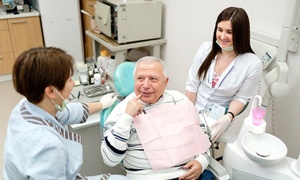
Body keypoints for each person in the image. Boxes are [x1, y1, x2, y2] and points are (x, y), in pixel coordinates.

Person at [3, 47, 128, 180]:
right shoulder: (46, 146)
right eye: (69, 79)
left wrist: (101, 104)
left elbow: (67, 112)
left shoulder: (26, 105)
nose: (73, 83)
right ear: (51, 91)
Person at [101, 56, 214, 180]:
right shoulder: (121, 112)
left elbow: (202, 137)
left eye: (153, 79)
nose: (145, 85)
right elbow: (110, 160)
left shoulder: (180, 100)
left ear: (165, 82)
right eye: (140, 78)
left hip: (192, 174)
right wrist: (126, 118)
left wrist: (202, 162)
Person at [185, 7, 262, 143]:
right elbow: (192, 85)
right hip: (192, 107)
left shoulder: (252, 64)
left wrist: (228, 118)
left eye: (229, 32)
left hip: (219, 118)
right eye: (220, 30)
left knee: (195, 145)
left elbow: (242, 98)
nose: (222, 36)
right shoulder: (205, 49)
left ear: (241, 34)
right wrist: (187, 113)